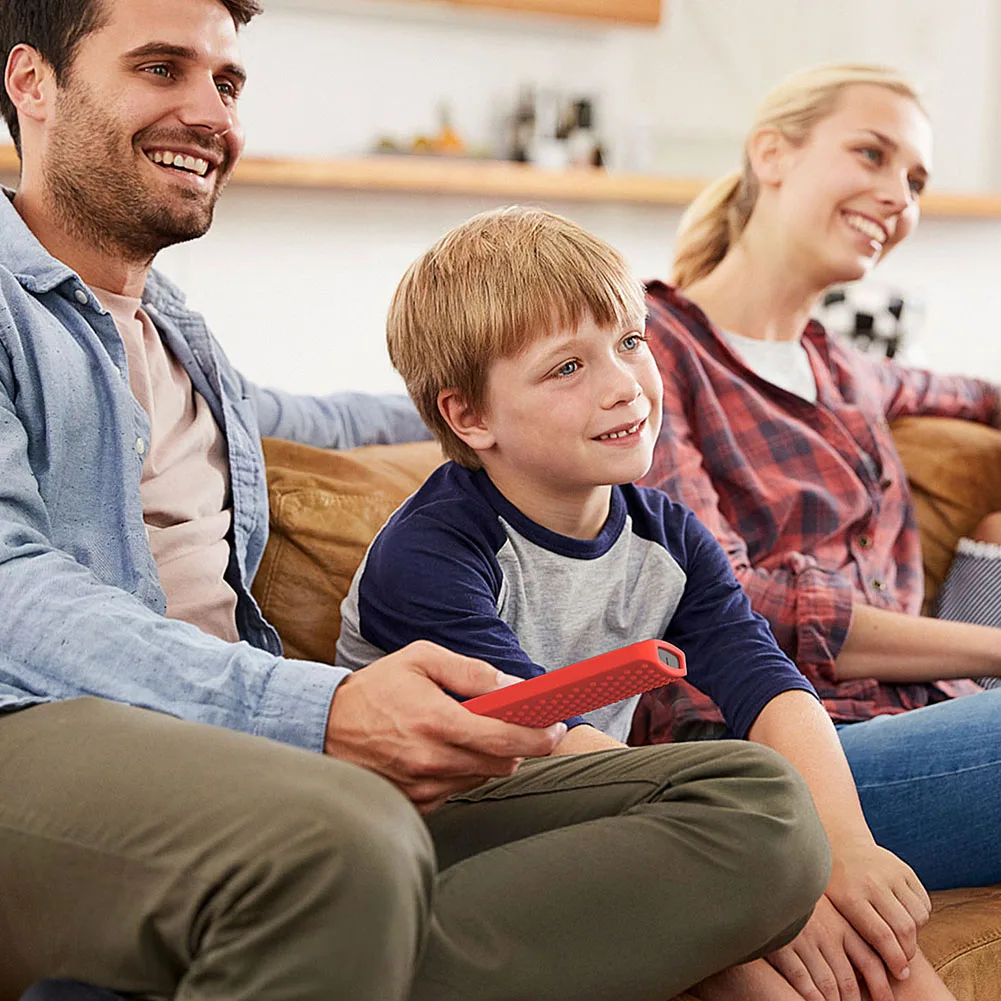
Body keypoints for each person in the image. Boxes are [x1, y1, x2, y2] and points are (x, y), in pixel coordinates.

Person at [0, 1, 832, 999]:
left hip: (255, 760)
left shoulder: (180, 336)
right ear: (32, 83)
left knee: (757, 809)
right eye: (159, 67)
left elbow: (327, 417)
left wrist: (511, 397)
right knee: (346, 841)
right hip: (52, 727)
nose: (211, 113)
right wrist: (319, 708)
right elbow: (12, 592)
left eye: (225, 82)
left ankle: (274, 960)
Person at [336, 205, 955, 1001]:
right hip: (452, 842)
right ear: (470, 416)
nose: (624, 384)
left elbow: (767, 684)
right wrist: (765, 883)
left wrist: (844, 846)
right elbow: (547, 739)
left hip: (612, 811)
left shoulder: (667, 536)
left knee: (871, 931)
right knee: (758, 932)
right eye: (568, 366)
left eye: (630, 341)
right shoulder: (429, 553)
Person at [637, 62, 1001, 903]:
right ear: (771, 154)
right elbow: (728, 600)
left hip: (916, 720)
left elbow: (982, 396)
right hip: (769, 751)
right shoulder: (652, 351)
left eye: (915, 181)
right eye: (871, 154)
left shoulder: (846, 371)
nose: (897, 197)